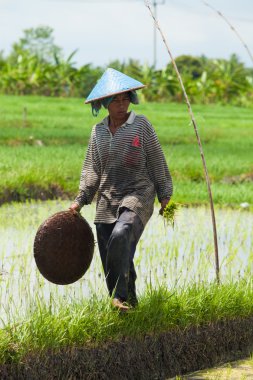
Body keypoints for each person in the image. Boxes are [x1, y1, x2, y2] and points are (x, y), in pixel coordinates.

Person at [70, 68, 173, 312]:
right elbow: (92, 170)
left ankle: (119, 297)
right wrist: (80, 200)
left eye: (125, 98)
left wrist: (165, 195)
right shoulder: (98, 132)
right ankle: (129, 306)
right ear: (105, 103)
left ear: (131, 100)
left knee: (122, 233)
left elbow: (157, 161)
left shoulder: (141, 126)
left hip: (138, 194)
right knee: (111, 256)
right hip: (106, 199)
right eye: (115, 100)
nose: (121, 104)